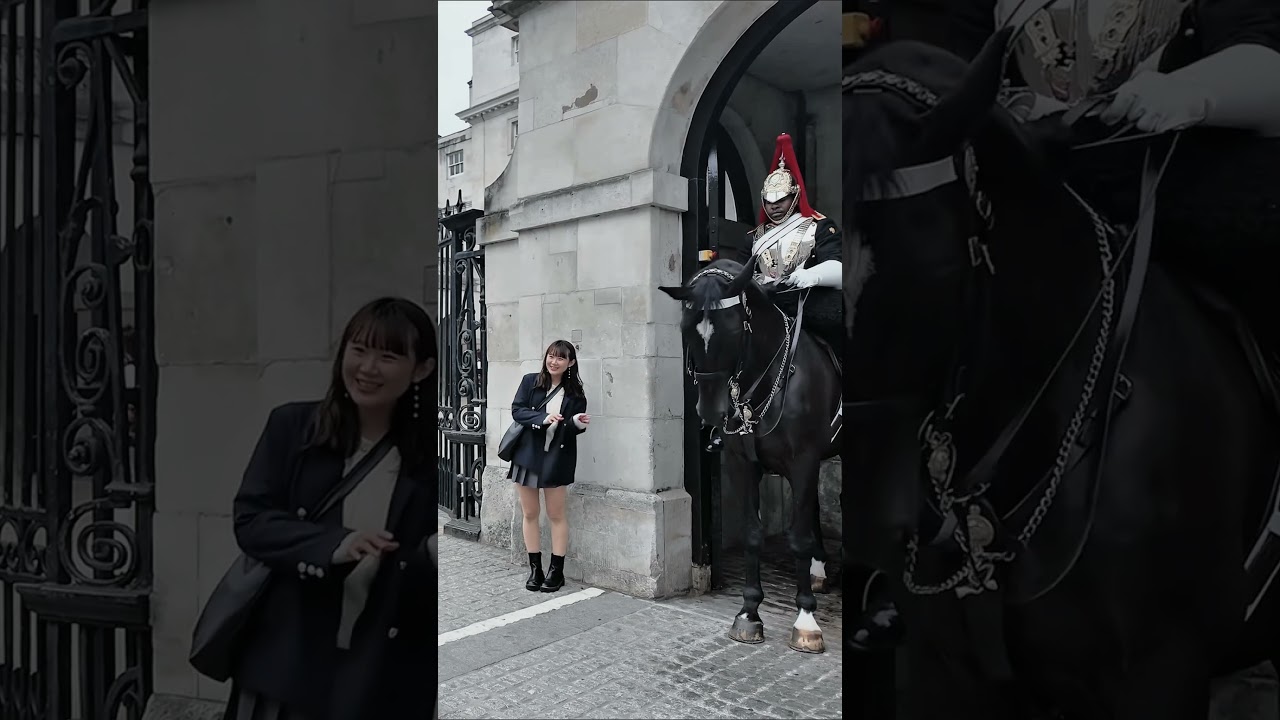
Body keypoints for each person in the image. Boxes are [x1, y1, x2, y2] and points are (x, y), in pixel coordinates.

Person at [225, 297, 437, 720]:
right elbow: (252, 521)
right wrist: (335, 545)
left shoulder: (434, 456)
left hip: (384, 670)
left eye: (388, 355)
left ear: (422, 369)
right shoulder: (294, 428)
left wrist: (430, 555)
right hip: (289, 666)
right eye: (358, 350)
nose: (367, 367)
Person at [706, 133, 845, 452]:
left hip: (810, 303)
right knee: (728, 347)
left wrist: (807, 276)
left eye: (780, 200)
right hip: (766, 308)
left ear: (794, 196)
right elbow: (736, 274)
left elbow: (838, 268)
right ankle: (724, 420)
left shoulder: (820, 227)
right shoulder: (753, 237)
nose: (774, 207)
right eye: (768, 201)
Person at [508, 340, 591, 593]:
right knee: (530, 513)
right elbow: (517, 411)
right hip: (527, 456)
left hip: (557, 458)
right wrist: (543, 418)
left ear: (571, 363)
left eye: (561, 358)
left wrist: (576, 423)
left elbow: (572, 430)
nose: (554, 361)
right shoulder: (530, 381)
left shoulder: (576, 394)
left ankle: (557, 571)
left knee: (556, 515)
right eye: (551, 356)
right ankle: (536, 569)